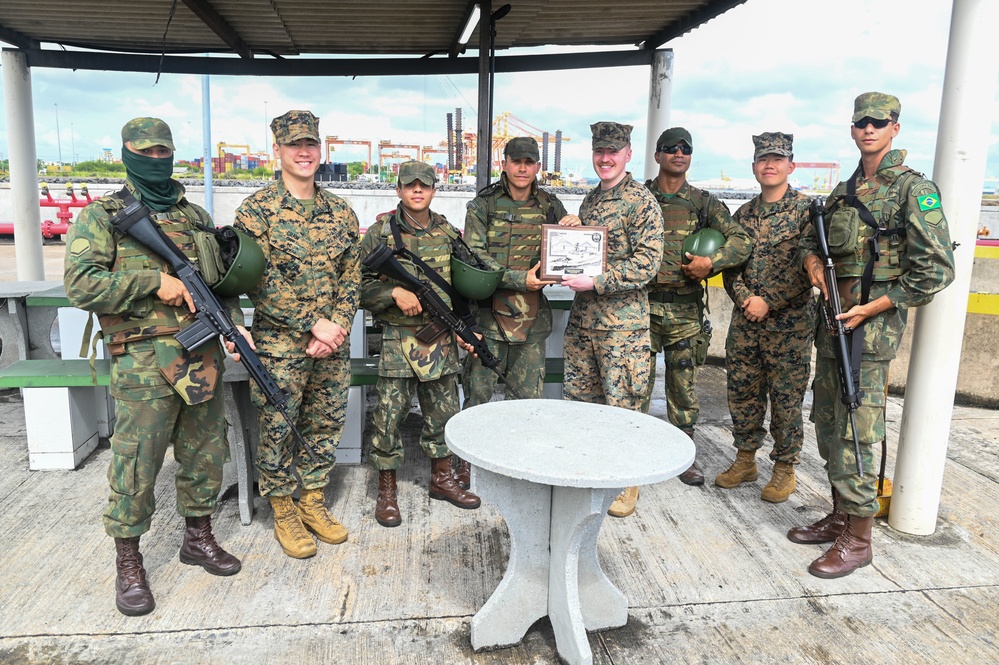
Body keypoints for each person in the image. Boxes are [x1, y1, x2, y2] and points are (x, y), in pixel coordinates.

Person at [65, 117, 244, 616]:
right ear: (126, 153)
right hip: (142, 362)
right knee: (137, 463)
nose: (156, 160)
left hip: (199, 354)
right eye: (145, 152)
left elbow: (216, 285)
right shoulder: (102, 216)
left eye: (163, 151)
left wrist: (235, 327)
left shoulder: (195, 216)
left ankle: (198, 537)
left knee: (205, 451)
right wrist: (152, 281)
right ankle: (129, 563)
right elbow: (81, 286)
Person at [790, 92, 955, 578]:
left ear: (895, 128)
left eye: (878, 122)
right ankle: (842, 514)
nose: (868, 129)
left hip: (870, 328)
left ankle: (860, 539)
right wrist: (813, 262)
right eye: (860, 121)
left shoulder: (912, 190)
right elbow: (808, 240)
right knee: (826, 420)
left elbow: (936, 270)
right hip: (833, 321)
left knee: (857, 430)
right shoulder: (844, 191)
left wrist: (873, 307)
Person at [233, 110, 361, 559]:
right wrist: (313, 322)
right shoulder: (256, 211)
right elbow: (257, 281)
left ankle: (312, 500)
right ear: (278, 151)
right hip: (279, 345)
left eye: (310, 144)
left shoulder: (340, 211)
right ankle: (283, 508)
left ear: (319, 150)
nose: (303, 152)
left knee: (324, 422)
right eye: (294, 145)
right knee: (278, 426)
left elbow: (351, 275)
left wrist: (338, 325)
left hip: (331, 345)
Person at [359, 160, 481, 527]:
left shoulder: (446, 232)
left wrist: (466, 327)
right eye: (409, 185)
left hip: (440, 338)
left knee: (443, 412)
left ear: (433, 189)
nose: (416, 190)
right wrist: (392, 291)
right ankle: (387, 488)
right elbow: (356, 285)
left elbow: (462, 285)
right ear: (398, 189)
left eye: (424, 185)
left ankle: (442, 479)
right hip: (398, 339)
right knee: (388, 417)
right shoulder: (380, 233)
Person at [458, 136, 578, 486]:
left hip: (532, 321)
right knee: (478, 396)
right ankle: (468, 462)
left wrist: (574, 224)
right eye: (516, 161)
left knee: (526, 401)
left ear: (538, 166)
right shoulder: (483, 206)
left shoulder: (551, 205)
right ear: (505, 164)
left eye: (530, 162)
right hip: (488, 317)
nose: (523, 168)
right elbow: (474, 258)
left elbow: (571, 251)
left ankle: (516, 464)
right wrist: (518, 279)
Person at [561, 122, 664, 518]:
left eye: (613, 151)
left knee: (623, 406)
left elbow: (648, 263)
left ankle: (627, 483)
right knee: (584, 404)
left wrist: (596, 280)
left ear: (627, 154)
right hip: (585, 322)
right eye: (599, 151)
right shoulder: (590, 201)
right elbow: (588, 250)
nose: (605, 159)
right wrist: (572, 230)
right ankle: (593, 472)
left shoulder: (641, 202)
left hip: (622, 328)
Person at [642, 127, 751, 492]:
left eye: (685, 148)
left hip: (685, 310)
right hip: (640, 306)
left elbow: (741, 240)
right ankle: (634, 452)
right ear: (657, 155)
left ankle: (684, 455)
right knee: (635, 386)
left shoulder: (704, 204)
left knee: (683, 386)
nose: (678, 153)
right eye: (670, 148)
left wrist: (712, 263)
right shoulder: (638, 198)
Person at [717, 132, 815, 503]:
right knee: (742, 393)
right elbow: (731, 266)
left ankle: (785, 467)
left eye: (777, 159)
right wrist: (746, 300)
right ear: (754, 167)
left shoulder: (808, 211)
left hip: (788, 327)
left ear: (791, 166)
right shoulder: (744, 215)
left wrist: (768, 301)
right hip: (747, 323)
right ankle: (745, 459)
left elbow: (810, 268)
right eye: (763, 160)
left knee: (786, 398)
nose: (769, 165)